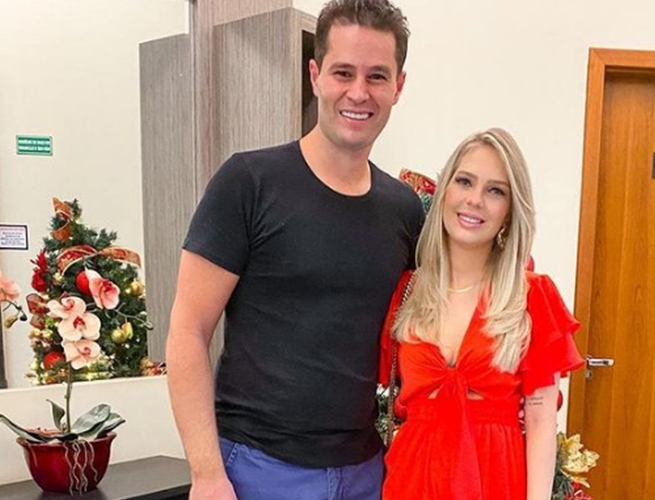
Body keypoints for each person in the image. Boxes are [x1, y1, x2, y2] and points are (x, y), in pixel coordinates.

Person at [165, 1, 424, 499]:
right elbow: (188, 330)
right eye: (343, 72)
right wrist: (206, 473)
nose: (358, 92)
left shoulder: (404, 209)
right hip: (257, 470)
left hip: (366, 472)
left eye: (376, 76)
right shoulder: (248, 183)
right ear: (315, 75)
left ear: (398, 86)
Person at [379, 128, 585, 500]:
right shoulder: (408, 291)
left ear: (509, 211)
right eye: (465, 181)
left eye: (495, 191)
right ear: (445, 191)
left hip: (496, 481)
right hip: (411, 482)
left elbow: (541, 421)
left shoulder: (531, 297)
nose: (475, 200)